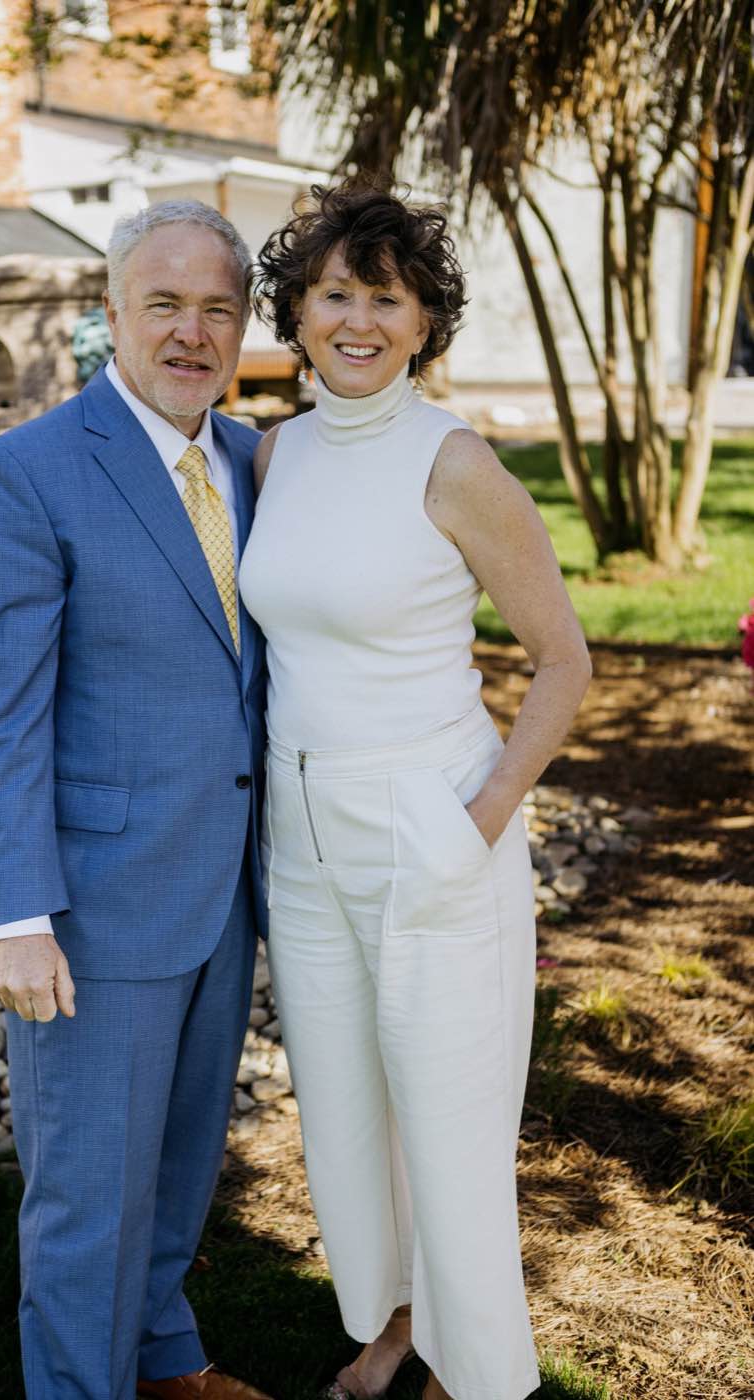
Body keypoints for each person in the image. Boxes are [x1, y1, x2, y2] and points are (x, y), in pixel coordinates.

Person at [239, 179, 592, 1400]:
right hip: (300, 834)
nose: (358, 320)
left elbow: (565, 660)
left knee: (449, 1121)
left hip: (430, 821)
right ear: (297, 309)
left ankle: (478, 1372)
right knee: (346, 1116)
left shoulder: (455, 461)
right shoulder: (276, 451)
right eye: (336, 293)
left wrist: (477, 822)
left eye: (386, 298)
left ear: (425, 319)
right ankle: (394, 1326)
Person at [0, 201, 271, 1400]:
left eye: (218, 309)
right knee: (90, 1194)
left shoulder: (253, 461)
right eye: (164, 303)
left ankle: (166, 1358)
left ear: (244, 325)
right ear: (113, 311)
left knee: (179, 1167)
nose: (192, 332)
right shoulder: (26, 469)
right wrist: (15, 911)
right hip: (94, 905)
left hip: (225, 886)